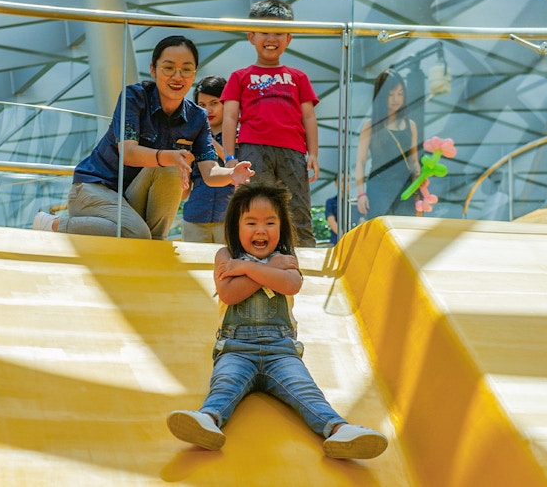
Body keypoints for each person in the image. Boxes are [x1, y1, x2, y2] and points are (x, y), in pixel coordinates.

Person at [166, 181, 388, 460]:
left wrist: (247, 267)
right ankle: (207, 420)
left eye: (270, 223)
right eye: (251, 223)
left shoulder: (286, 259)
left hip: (281, 351)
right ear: (236, 226)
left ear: (281, 227)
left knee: (305, 390)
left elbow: (290, 285)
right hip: (236, 349)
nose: (261, 230)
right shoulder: (225, 256)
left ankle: (339, 429)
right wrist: (267, 269)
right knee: (225, 384)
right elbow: (230, 293)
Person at [33, 35, 254, 239]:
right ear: (153, 69)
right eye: (168, 68)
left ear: (194, 73)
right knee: (138, 230)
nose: (177, 77)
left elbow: (210, 172)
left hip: (130, 201)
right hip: (95, 188)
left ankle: (154, 247)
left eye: (186, 69)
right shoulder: (135, 97)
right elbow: (127, 153)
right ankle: (54, 224)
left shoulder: (196, 117)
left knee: (165, 179)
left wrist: (231, 174)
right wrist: (170, 156)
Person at [220, 0, 320, 247]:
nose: (271, 38)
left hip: (293, 150)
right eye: (264, 31)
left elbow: (308, 116)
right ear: (251, 36)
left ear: (289, 38)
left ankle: (304, 256)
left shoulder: (298, 77)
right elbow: (230, 116)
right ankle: (247, 253)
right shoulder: (240, 76)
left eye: (278, 32)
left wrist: (314, 154)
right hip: (253, 149)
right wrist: (230, 156)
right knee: (253, 204)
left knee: (297, 205)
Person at [355, 68, 421, 219]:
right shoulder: (370, 126)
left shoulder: (410, 125)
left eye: (400, 93)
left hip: (405, 189)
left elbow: (414, 161)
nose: (396, 99)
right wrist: (361, 194)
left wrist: (419, 179)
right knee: (381, 232)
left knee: (405, 233)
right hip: (378, 187)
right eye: (390, 94)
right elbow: (360, 162)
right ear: (381, 96)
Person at [181, 76, 232, 243]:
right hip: (194, 219)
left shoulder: (243, 135)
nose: (208, 110)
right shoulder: (189, 139)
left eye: (214, 103)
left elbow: (242, 171)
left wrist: (206, 139)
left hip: (230, 219)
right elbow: (183, 193)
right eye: (202, 105)